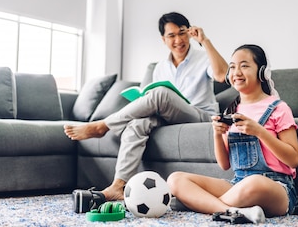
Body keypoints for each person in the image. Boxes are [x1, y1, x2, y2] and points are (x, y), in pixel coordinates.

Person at [64, 12, 228, 201]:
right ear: (163, 39)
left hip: (200, 116)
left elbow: (223, 75)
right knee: (137, 124)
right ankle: (119, 185)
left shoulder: (203, 57)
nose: (178, 40)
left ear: (190, 33)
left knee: (160, 94)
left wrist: (205, 41)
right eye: (171, 36)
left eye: (182, 33)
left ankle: (103, 125)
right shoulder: (160, 68)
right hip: (169, 117)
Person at [167, 44, 298, 221]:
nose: (236, 71)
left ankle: (200, 204)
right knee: (175, 179)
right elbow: (224, 165)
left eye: (244, 65)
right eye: (232, 66)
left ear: (261, 72)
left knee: (254, 182)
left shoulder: (279, 108)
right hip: (237, 184)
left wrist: (259, 132)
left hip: (277, 187)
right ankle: (232, 212)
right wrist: (216, 133)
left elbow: (294, 159)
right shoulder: (231, 111)